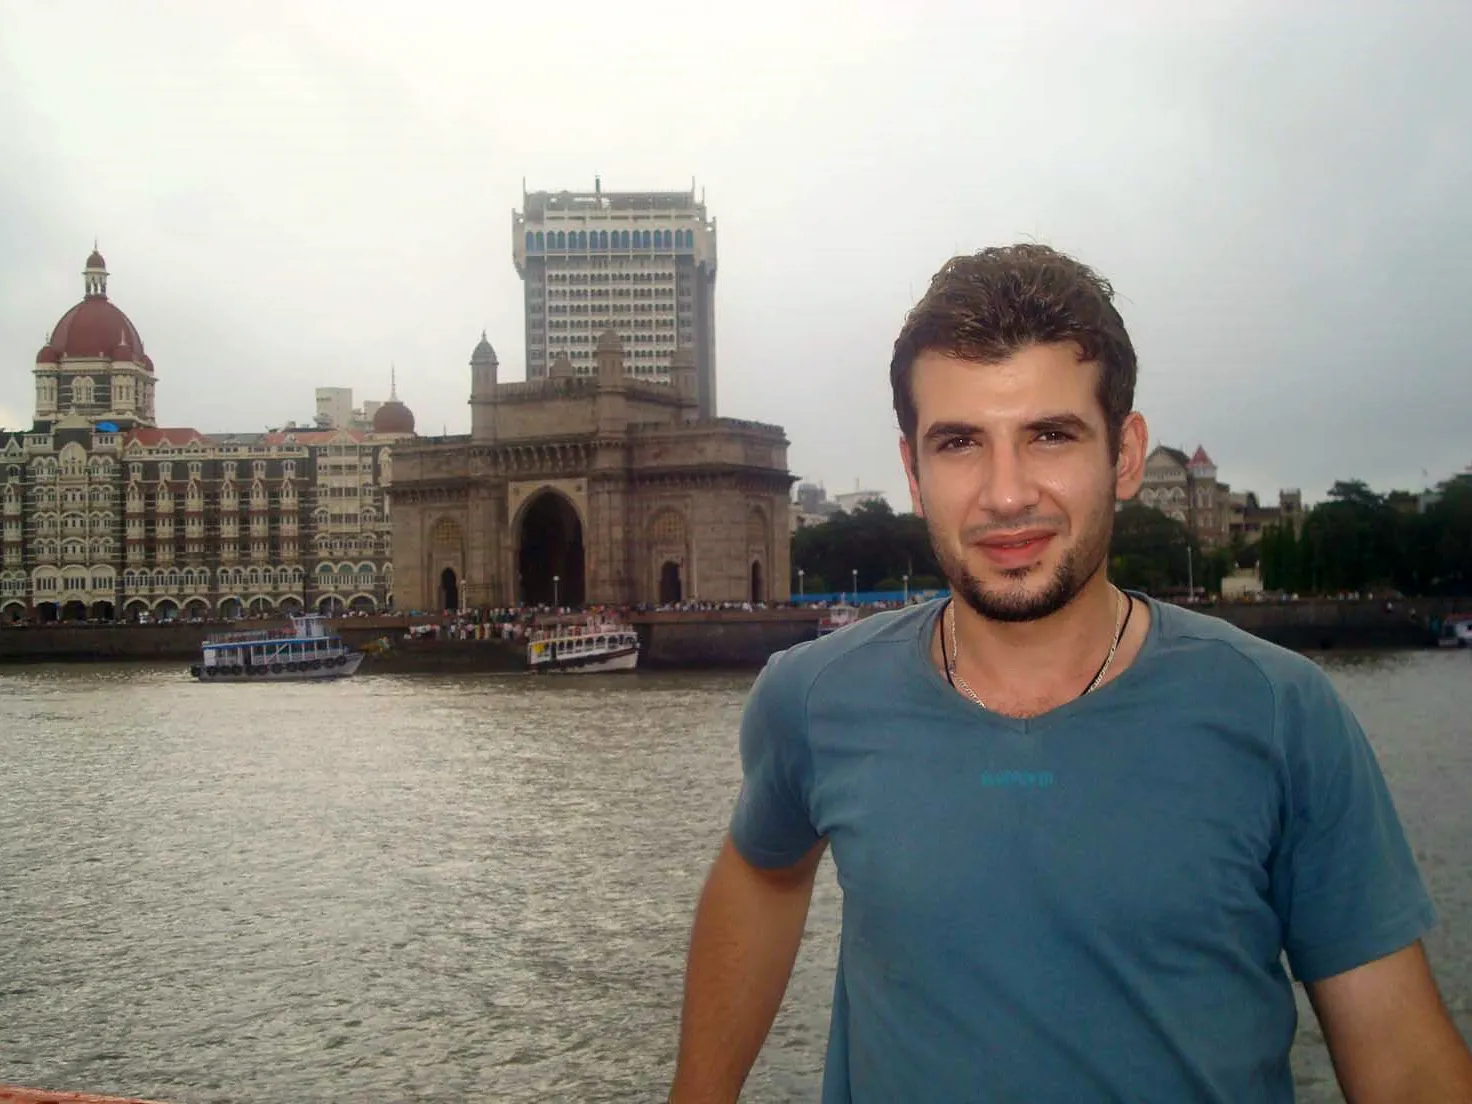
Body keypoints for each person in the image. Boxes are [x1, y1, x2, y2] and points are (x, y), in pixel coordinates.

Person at [669, 244, 1472, 1102]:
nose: (1007, 494)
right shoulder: (812, 700)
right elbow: (764, 873)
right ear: (913, 471)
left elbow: (1400, 1060)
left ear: (1125, 455)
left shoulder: (1281, 714)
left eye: (1050, 436)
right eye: (960, 443)